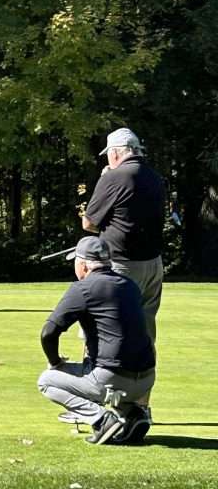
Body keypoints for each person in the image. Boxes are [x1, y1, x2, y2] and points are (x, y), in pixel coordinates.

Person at [37, 236, 155, 445]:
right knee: (103, 367)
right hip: (146, 380)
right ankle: (134, 415)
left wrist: (55, 362)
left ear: (83, 265)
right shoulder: (129, 285)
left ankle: (102, 420)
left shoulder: (83, 288)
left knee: (46, 381)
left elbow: (48, 332)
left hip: (111, 379)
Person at [82, 127, 165, 346]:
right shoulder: (154, 177)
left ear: (116, 152)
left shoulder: (114, 177)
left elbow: (88, 223)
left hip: (121, 264)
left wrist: (105, 180)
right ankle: (145, 367)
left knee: (108, 325)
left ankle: (101, 367)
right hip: (153, 264)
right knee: (145, 327)